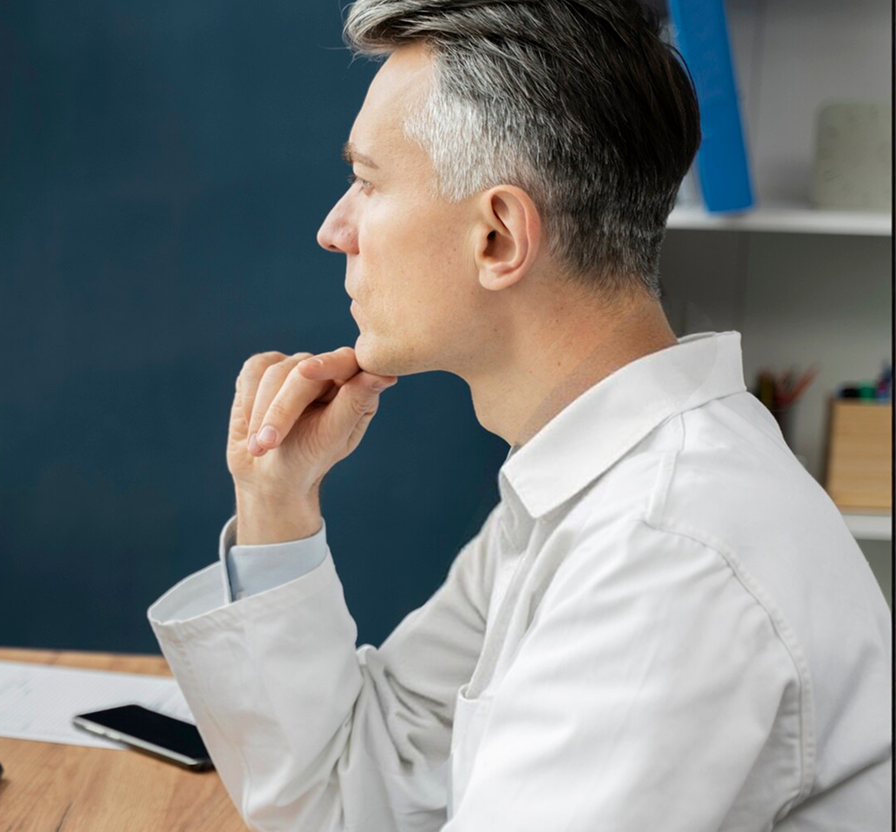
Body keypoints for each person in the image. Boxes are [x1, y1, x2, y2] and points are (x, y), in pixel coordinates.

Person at [146, 1, 892, 830]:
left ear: (498, 237)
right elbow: (353, 795)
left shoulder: (668, 554)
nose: (334, 229)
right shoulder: (572, 497)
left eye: (367, 182)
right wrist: (275, 507)